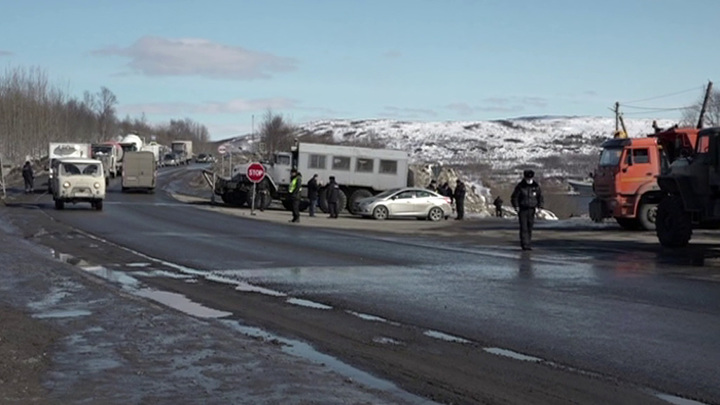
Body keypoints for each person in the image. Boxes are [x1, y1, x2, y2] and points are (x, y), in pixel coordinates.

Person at [511, 169, 544, 251]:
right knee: (524, 227)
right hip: (523, 209)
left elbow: (540, 197)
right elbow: (514, 197)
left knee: (530, 227)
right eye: (527, 178)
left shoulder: (536, 186)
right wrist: (516, 206)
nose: (529, 180)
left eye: (530, 178)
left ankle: (528, 243)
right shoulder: (520, 186)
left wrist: (540, 206)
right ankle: (525, 244)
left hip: (532, 209)